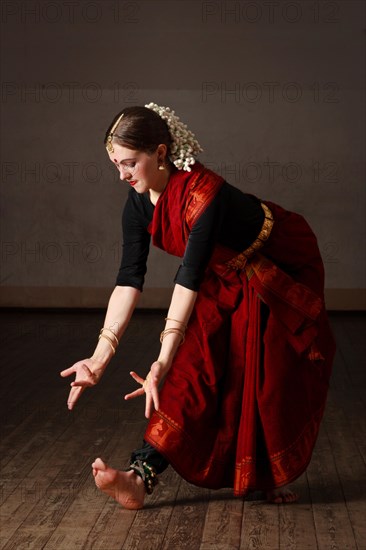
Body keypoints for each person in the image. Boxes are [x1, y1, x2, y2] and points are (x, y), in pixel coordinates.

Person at [60, 103, 336, 509]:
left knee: (264, 379)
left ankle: (265, 479)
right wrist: (100, 358)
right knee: (193, 375)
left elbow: (187, 278)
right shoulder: (136, 204)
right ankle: (138, 478)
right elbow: (128, 278)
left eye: (129, 163)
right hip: (223, 275)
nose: (122, 175)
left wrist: (162, 360)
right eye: (116, 164)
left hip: (276, 269)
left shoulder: (204, 194)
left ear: (160, 152)